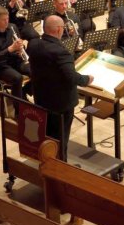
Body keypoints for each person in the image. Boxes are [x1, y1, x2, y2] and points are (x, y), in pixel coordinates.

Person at [28, 15, 93, 160]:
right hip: (61, 104)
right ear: (58, 30)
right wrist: (86, 79)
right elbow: (72, 77)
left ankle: (47, 161)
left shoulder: (33, 44)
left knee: (47, 136)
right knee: (60, 139)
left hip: (42, 99)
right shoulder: (61, 52)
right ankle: (60, 167)